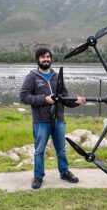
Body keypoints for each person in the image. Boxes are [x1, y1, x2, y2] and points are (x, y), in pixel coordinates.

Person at [19, 47, 86, 189]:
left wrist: (76, 101)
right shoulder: (31, 77)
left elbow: (65, 98)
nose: (46, 59)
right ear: (38, 59)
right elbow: (24, 97)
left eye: (48, 57)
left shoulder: (57, 77)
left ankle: (64, 172)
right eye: (43, 57)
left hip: (59, 120)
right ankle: (38, 177)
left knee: (61, 149)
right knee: (39, 151)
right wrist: (45, 99)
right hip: (41, 122)